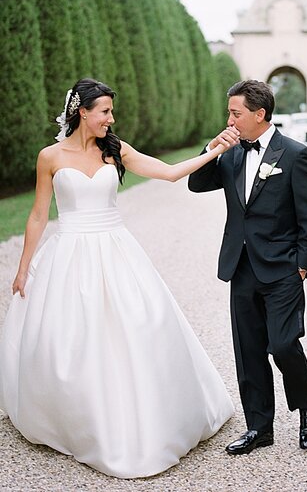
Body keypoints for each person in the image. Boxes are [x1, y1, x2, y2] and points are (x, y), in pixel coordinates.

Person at [0, 78, 237, 479]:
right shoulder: (50, 157)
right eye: (105, 111)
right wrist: (24, 267)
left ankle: (143, 419)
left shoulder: (116, 149)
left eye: (111, 111)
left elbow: (169, 172)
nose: (111, 118)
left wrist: (213, 150)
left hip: (116, 249)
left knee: (142, 325)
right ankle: (77, 419)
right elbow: (39, 214)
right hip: (70, 251)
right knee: (71, 338)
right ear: (83, 113)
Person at [188, 79, 307, 455]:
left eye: (235, 113)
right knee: (248, 352)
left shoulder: (295, 155)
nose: (229, 119)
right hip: (241, 266)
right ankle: (259, 429)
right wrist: (213, 148)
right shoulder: (230, 154)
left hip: (283, 268)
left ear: (259, 114)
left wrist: (302, 265)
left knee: (282, 345)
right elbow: (196, 184)